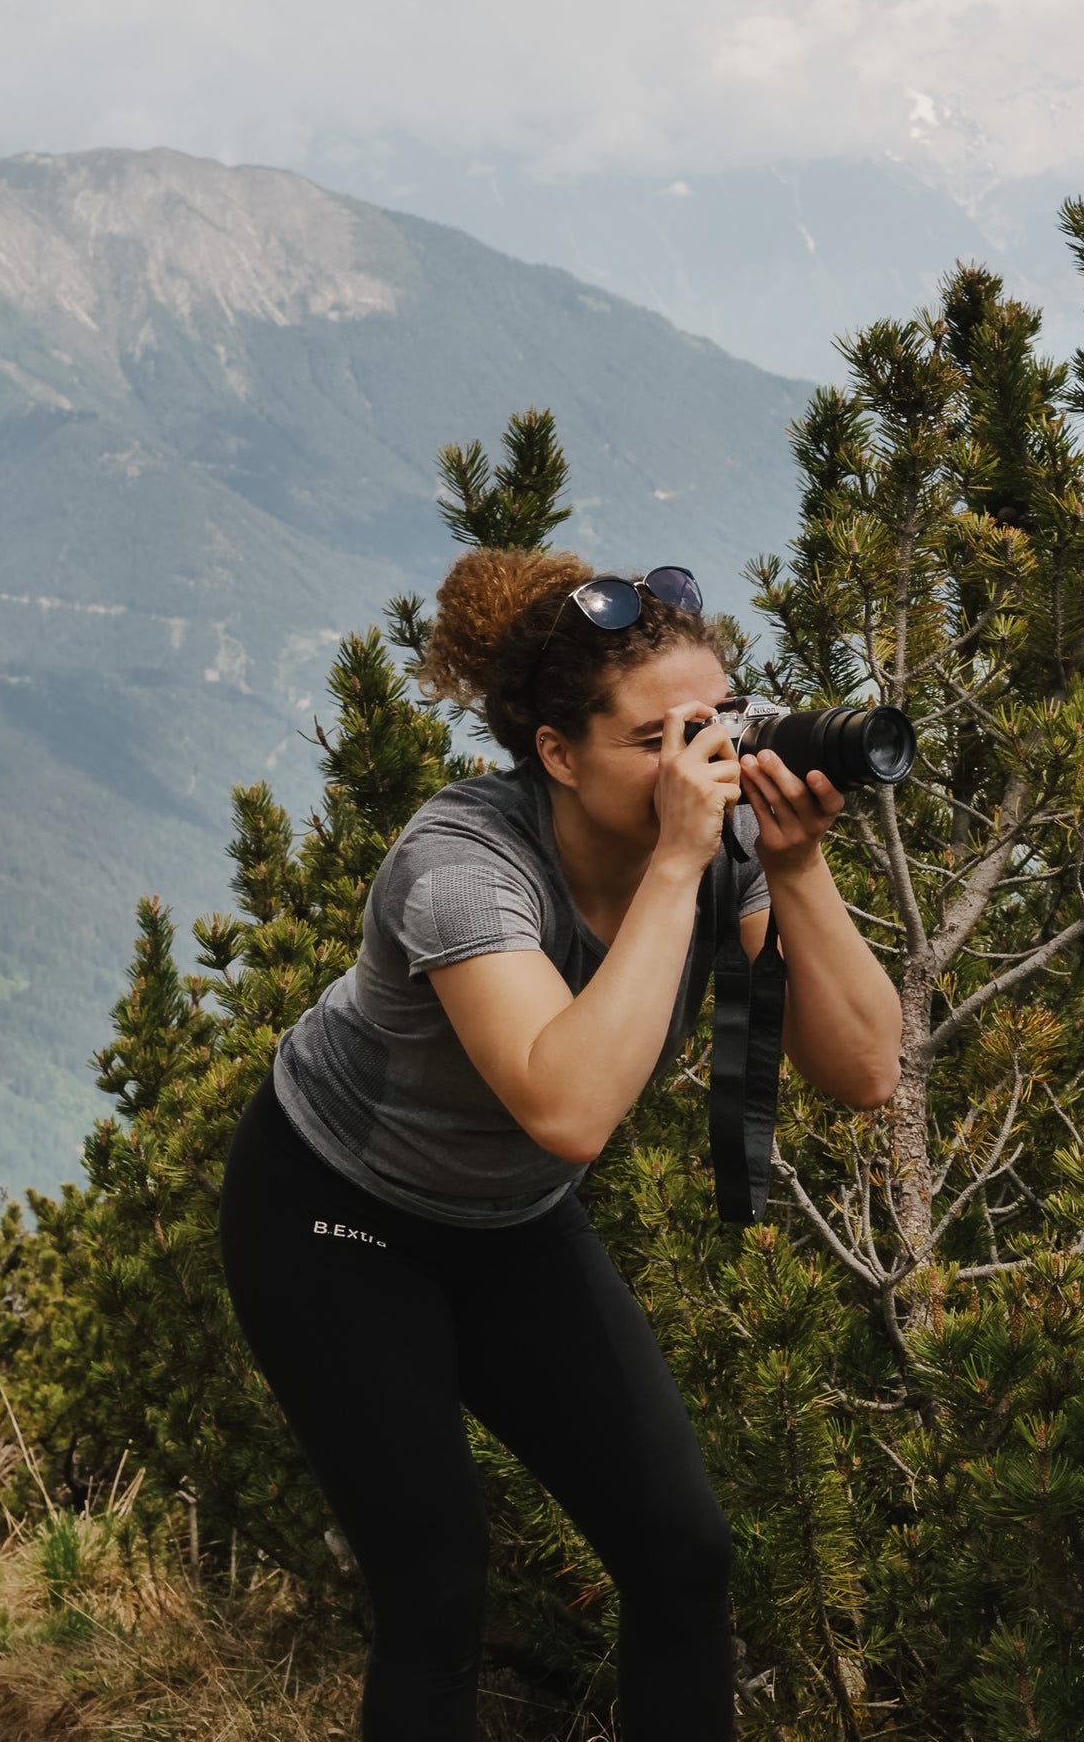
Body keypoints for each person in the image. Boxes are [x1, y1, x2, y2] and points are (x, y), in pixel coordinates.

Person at [216, 547, 902, 1741]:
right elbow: (569, 1108)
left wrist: (792, 865)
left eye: (718, 721)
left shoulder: (731, 845)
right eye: (657, 740)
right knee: (434, 1589)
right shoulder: (459, 866)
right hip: (334, 1216)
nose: (702, 760)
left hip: (509, 1224)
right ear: (555, 753)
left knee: (682, 1556)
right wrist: (682, 864)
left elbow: (863, 1072)